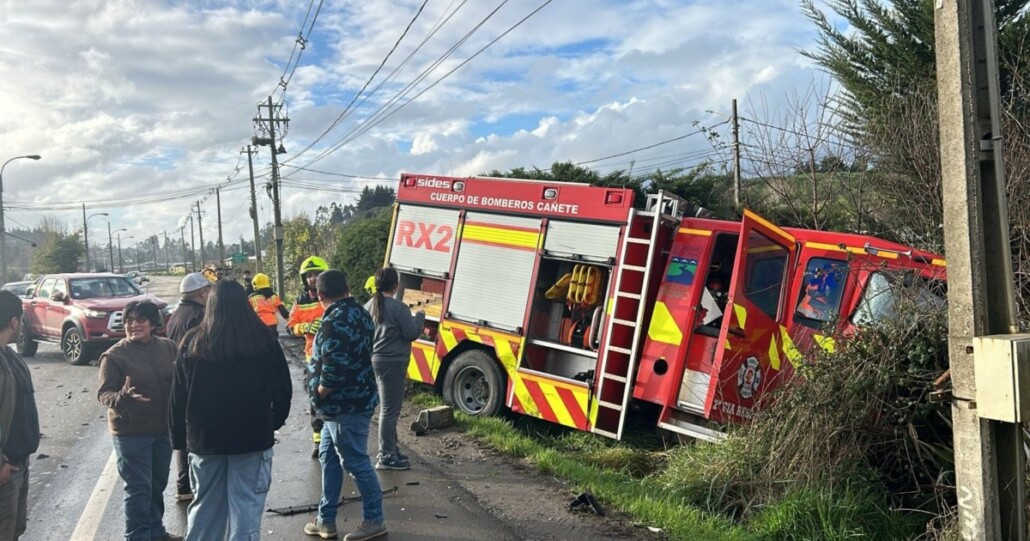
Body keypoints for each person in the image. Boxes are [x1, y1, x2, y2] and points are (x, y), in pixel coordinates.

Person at [170, 280, 292, 541]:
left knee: (205, 511)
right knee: (245, 510)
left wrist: (180, 439)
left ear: (210, 305)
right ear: (245, 303)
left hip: (205, 441)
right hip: (252, 438)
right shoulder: (263, 340)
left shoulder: (192, 343)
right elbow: (283, 388)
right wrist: (273, 422)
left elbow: (178, 397)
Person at [304, 269, 386, 541]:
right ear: (347, 288)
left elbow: (334, 372)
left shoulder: (334, 322)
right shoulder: (360, 313)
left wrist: (318, 391)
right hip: (350, 402)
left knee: (355, 462)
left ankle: (375, 520)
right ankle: (325, 520)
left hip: (343, 407)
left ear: (319, 295)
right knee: (328, 457)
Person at [97, 300, 181, 541]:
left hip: (163, 429)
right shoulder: (114, 356)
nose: (134, 325)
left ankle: (156, 532)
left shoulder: (168, 347)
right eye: (129, 321)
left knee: (157, 484)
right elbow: (104, 394)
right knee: (138, 489)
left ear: (154, 323)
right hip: (131, 434)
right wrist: (123, 397)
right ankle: (137, 536)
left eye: (140, 319)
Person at [364, 267, 424, 471]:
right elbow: (411, 333)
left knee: (386, 409)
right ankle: (386, 456)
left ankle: (392, 449)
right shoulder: (399, 308)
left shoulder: (368, 306)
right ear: (396, 285)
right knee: (390, 411)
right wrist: (420, 317)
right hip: (393, 363)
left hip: (374, 361)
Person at [164, 272, 213, 503]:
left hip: (176, 378)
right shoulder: (199, 315)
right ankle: (193, 484)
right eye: (209, 290)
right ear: (202, 292)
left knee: (182, 431)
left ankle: (183, 484)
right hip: (194, 378)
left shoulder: (176, 315)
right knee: (195, 431)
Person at [0, 291, 40, 540]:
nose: (23, 324)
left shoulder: (9, 355)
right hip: (5, 467)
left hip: (18, 462)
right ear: (14, 321)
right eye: (22, 319)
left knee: (14, 529)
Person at [287, 255, 330, 458]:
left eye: (317, 274)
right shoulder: (300, 301)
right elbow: (290, 326)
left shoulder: (332, 295)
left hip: (332, 355)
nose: (313, 279)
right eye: (309, 275)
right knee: (315, 399)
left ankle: (335, 438)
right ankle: (318, 440)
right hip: (312, 356)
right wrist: (304, 327)